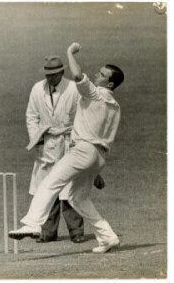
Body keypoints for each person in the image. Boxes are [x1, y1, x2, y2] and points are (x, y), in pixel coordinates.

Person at [9, 43, 124, 254]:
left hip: (83, 150)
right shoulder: (115, 106)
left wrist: (70, 52)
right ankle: (108, 237)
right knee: (77, 197)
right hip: (99, 156)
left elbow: (78, 75)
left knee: (49, 182)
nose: (96, 75)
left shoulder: (96, 94)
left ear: (109, 83)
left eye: (101, 74)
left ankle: (33, 224)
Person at [25, 55, 85, 244]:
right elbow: (31, 116)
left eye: (53, 74)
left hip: (69, 142)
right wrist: (37, 138)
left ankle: (76, 231)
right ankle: (48, 232)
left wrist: (77, 141)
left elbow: (82, 117)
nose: (49, 78)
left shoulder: (74, 89)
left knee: (70, 188)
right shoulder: (37, 88)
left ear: (61, 72)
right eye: (47, 74)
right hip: (47, 142)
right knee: (47, 188)